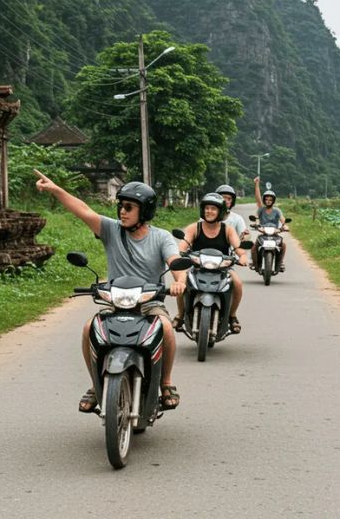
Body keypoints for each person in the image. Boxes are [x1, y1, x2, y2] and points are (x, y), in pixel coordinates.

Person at [34, 171, 185, 412]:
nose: (122, 211)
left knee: (166, 327)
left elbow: (175, 260)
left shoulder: (161, 237)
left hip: (148, 301)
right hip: (116, 300)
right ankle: (96, 384)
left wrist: (180, 281)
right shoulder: (111, 230)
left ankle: (166, 383)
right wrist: (55, 189)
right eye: (121, 206)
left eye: (129, 207)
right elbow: (83, 210)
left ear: (144, 211)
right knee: (88, 328)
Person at [174, 192, 249, 334]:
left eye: (213, 209)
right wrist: (181, 252)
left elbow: (238, 247)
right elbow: (183, 243)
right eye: (207, 208)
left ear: (220, 211)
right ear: (203, 210)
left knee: (237, 283)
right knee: (181, 281)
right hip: (197, 267)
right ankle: (180, 315)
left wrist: (243, 256)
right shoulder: (194, 228)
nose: (209, 211)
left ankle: (232, 316)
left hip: (223, 269)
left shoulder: (227, 229)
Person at [252, 176, 288, 272]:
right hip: (263, 232)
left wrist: (284, 225)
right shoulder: (261, 209)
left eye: (270, 199)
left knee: (283, 245)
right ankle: (255, 263)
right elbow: (256, 217)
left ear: (273, 201)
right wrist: (256, 224)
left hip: (275, 233)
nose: (268, 201)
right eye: (266, 199)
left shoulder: (277, 210)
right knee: (254, 247)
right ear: (264, 200)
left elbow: (282, 219)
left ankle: (280, 263)